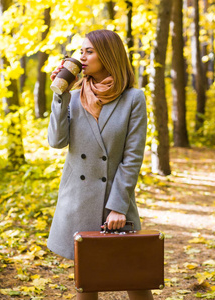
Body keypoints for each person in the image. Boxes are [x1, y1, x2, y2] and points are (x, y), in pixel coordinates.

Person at [47, 29, 152, 300]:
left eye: (88, 51)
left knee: (137, 278)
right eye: (80, 51)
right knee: (88, 281)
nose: (81, 57)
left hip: (115, 200)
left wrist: (117, 206)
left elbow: (132, 158)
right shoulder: (75, 95)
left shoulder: (133, 99)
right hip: (78, 200)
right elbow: (57, 141)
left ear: (107, 55)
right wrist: (60, 94)